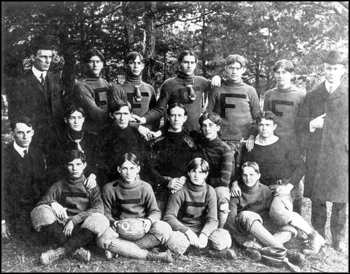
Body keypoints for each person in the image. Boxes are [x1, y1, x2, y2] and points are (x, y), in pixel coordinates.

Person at [231, 111, 325, 255]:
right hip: (260, 190)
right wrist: (235, 183)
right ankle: (272, 242)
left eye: (268, 125)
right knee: (254, 218)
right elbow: (243, 168)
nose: (264, 128)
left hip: (281, 187)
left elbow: (301, 166)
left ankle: (314, 236)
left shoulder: (284, 144)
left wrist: (289, 186)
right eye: (261, 125)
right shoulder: (250, 146)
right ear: (257, 126)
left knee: (277, 212)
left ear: (274, 126)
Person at [297, 50, 348, 252]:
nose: (332, 72)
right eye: (328, 68)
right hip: (317, 153)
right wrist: (312, 122)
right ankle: (317, 236)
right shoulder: (312, 95)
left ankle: (339, 239)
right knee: (317, 198)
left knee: (341, 198)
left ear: (343, 70)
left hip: (341, 154)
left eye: (336, 69)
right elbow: (299, 122)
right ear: (323, 69)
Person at [30, 150, 109, 265]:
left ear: (84, 165)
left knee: (101, 219)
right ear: (66, 166)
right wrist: (52, 203)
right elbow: (40, 203)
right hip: (61, 228)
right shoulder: (59, 185)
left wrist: (74, 220)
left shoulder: (90, 185)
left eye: (78, 164)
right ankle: (75, 250)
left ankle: (60, 251)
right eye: (71, 165)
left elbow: (98, 208)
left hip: (82, 227)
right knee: (39, 212)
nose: (74, 168)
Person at [96, 152, 173, 263]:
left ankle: (120, 249)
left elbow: (155, 211)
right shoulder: (109, 188)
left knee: (165, 229)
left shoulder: (145, 187)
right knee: (101, 238)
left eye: (132, 168)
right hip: (118, 231)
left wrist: (149, 221)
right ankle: (151, 255)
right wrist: (113, 222)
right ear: (119, 169)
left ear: (138, 169)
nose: (128, 173)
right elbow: (106, 213)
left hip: (141, 231)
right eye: (125, 168)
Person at [6, 35, 66, 177]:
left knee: (55, 174)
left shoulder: (55, 80)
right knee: (33, 175)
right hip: (33, 137)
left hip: (55, 137)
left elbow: (62, 106)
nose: (47, 61)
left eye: (50, 57)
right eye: (43, 57)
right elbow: (14, 114)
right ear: (33, 57)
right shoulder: (20, 82)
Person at [224, 162, 304, 263]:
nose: (248, 178)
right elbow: (230, 222)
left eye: (251, 175)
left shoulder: (265, 190)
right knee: (248, 215)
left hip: (261, 231)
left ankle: (261, 247)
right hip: (245, 228)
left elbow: (270, 215)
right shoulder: (237, 193)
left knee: (290, 230)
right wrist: (243, 241)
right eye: (245, 175)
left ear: (258, 176)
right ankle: (285, 252)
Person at [134, 50, 221, 134]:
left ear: (195, 64)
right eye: (186, 62)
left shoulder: (201, 81)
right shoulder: (169, 84)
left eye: (192, 63)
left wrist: (218, 77)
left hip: (196, 132)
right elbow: (159, 109)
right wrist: (144, 119)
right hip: (175, 131)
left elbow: (225, 84)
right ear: (179, 63)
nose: (189, 66)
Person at [164, 158, 235, 259]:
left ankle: (197, 249)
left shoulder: (210, 191)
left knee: (224, 238)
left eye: (201, 172)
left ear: (206, 174)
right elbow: (169, 217)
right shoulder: (180, 189)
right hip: (183, 230)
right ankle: (207, 252)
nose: (197, 175)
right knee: (176, 242)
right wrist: (187, 231)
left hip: (201, 228)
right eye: (194, 171)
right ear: (189, 173)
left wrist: (204, 234)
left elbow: (213, 219)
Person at [263, 59, 306, 215]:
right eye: (278, 72)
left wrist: (301, 146)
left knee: (296, 183)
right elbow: (264, 118)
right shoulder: (269, 94)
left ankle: (297, 218)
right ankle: (276, 216)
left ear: (291, 74)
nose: (281, 76)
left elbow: (303, 123)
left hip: (293, 145)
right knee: (275, 181)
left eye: (284, 72)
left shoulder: (301, 95)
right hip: (273, 144)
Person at [207, 54, 261, 172]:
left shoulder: (250, 90)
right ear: (226, 68)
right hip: (221, 140)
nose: (234, 71)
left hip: (244, 141)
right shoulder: (217, 88)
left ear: (243, 70)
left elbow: (258, 117)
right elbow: (208, 115)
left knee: (243, 175)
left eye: (237, 68)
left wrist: (252, 136)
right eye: (231, 68)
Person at [2, 116, 48, 240]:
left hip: (35, 205)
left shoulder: (37, 153)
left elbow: (42, 183)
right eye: (20, 133)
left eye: (28, 132)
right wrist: (2, 221)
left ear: (32, 132)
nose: (25, 136)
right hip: (16, 211)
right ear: (13, 134)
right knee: (30, 235)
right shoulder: (5, 156)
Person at [146, 103, 197, 215]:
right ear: (168, 117)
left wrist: (183, 179)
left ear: (185, 118)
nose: (176, 119)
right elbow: (149, 167)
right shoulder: (158, 140)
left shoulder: (190, 140)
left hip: (184, 185)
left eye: (179, 115)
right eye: (173, 115)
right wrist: (166, 182)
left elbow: (194, 164)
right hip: (161, 186)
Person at [192, 112, 234, 228]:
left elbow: (224, 181)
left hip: (213, 186)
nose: (207, 129)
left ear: (218, 127)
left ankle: (220, 229)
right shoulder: (198, 140)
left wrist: (202, 181)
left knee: (222, 193)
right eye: (204, 126)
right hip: (196, 183)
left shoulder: (225, 149)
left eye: (211, 125)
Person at [95, 99, 150, 185]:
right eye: (118, 114)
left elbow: (143, 160)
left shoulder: (137, 133)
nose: (122, 118)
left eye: (125, 114)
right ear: (111, 115)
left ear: (130, 115)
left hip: (133, 178)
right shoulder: (105, 133)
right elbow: (100, 161)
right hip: (111, 179)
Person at [110, 51, 159, 131]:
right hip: (125, 133)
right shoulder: (118, 89)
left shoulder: (149, 88)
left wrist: (153, 131)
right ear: (126, 66)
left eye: (139, 63)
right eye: (132, 63)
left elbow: (155, 113)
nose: (136, 66)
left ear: (142, 66)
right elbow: (115, 115)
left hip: (146, 133)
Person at [71, 48, 114, 135]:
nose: (95, 65)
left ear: (102, 64)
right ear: (85, 64)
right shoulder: (81, 86)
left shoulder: (105, 83)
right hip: (91, 132)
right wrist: (116, 117)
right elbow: (93, 111)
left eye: (98, 62)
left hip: (108, 129)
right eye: (91, 62)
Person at [60, 105, 99, 178]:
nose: (76, 121)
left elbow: (97, 161)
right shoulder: (60, 140)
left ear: (83, 119)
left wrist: (93, 175)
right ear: (66, 120)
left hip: (90, 177)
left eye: (79, 117)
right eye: (72, 118)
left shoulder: (93, 138)